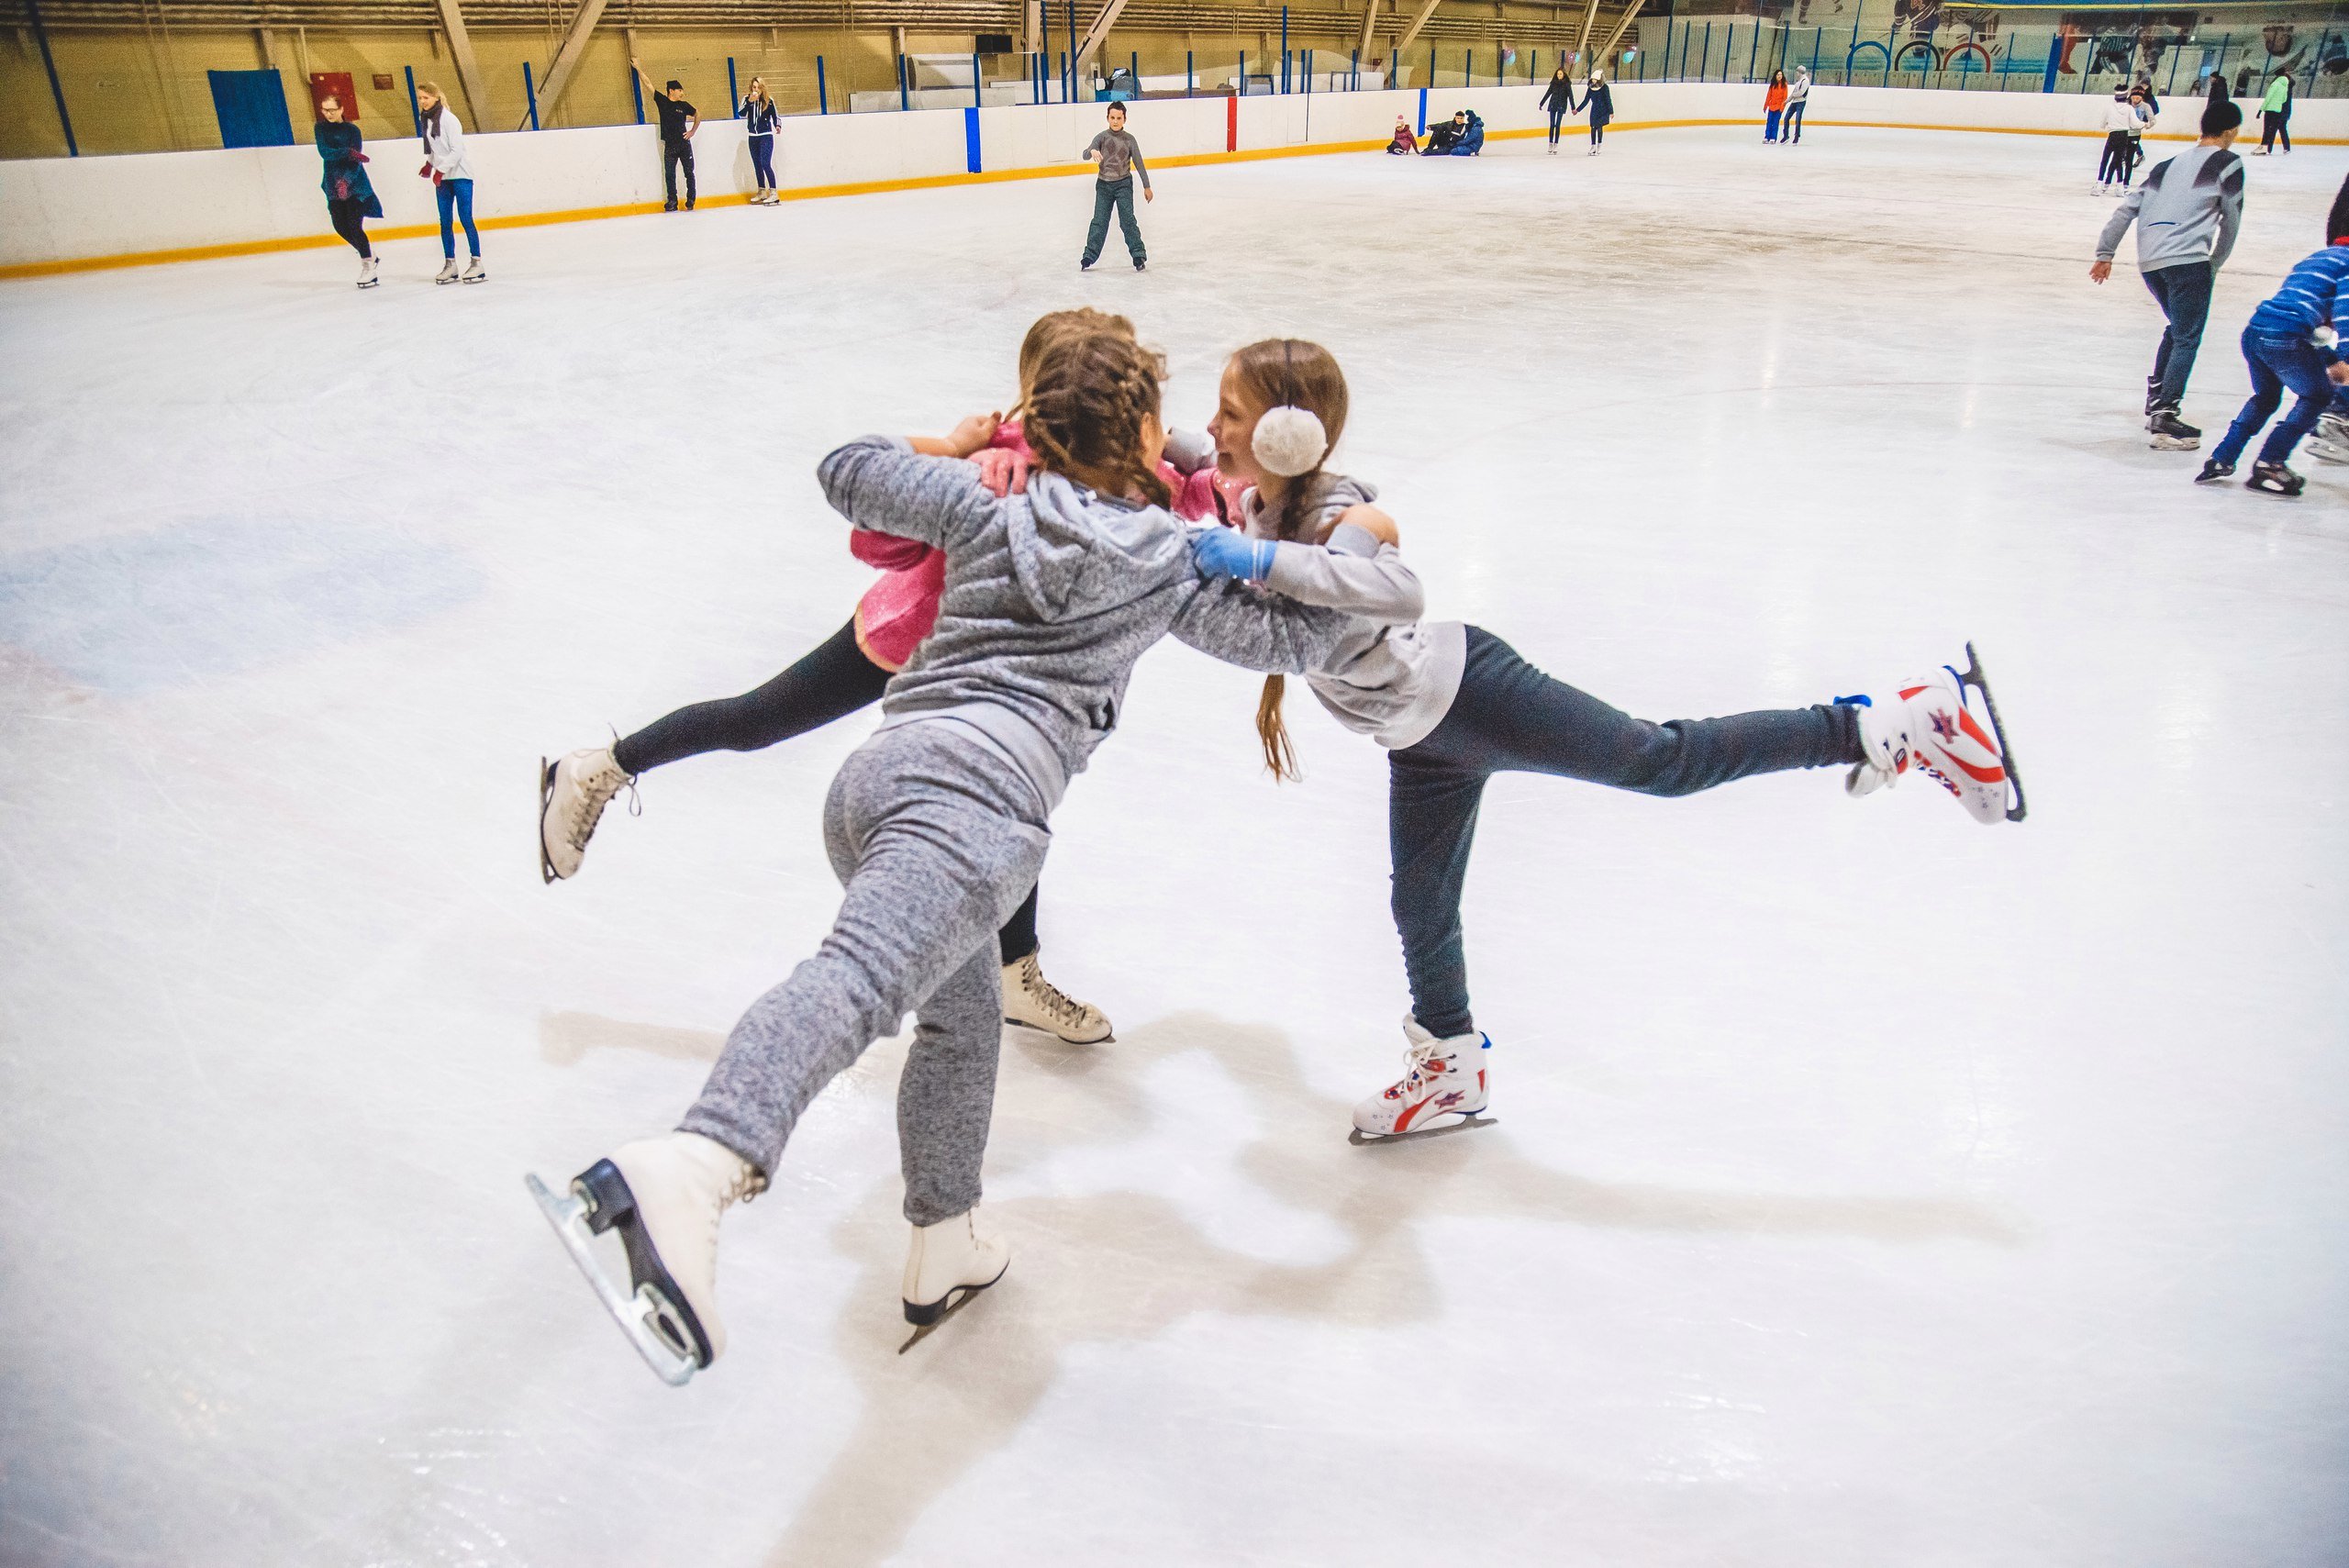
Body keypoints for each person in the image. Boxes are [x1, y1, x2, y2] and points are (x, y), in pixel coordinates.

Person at [528, 325, 1355, 1383]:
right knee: (859, 982)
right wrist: (1335, 539)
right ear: (1146, 432)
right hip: (976, 808)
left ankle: (943, 1238)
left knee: (961, 1020)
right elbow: (1299, 640)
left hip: (878, 782)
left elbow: (848, 469)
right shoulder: (1171, 562)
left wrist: (959, 443)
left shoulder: (985, 501)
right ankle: (695, 1161)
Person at [1190, 338, 2021, 1142]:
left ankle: (1887, 724)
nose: (1218, 427)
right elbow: (1189, 456)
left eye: (1232, 413)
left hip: (1469, 692)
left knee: (1660, 759)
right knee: (1420, 902)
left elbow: (1392, 589)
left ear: (1285, 432)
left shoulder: (1335, 512)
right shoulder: (1260, 502)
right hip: (1418, 739)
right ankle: (1450, 1065)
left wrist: (1256, 559)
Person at [539, 308, 1225, 1043]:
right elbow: (878, 537)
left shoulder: (1141, 467)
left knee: (1011, 807)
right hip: (909, 641)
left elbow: (1204, 500)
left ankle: (1012, 971)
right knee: (756, 719)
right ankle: (601, 767)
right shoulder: (1001, 459)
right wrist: (960, 455)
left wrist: (1210, 461)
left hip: (1016, 689)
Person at [2090, 80, 2244, 450]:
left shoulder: (2167, 165)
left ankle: (2157, 397)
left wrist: (2105, 253)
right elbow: (2232, 219)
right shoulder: (2228, 162)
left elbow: (2127, 209)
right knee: (2188, 336)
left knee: (2178, 328)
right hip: (2189, 260)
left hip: (2151, 263)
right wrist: (2214, 264)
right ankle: (2165, 417)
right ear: (2231, 131)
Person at [2194, 175, 2349, 495]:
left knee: (2265, 397)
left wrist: (2330, 359)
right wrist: (2346, 359)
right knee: (2317, 395)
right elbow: (2346, 313)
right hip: (2285, 337)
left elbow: (2300, 319)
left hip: (2256, 331)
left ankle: (2222, 457)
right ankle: (2271, 464)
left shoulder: (2317, 258)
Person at [415, 83, 482, 284]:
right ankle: (450, 264)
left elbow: (456, 150)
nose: (422, 101)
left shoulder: (449, 120)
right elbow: (436, 149)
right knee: (445, 221)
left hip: (460, 175)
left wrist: (441, 169)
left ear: (436, 97)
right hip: (443, 177)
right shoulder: (427, 120)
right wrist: (429, 164)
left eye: (426, 97)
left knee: (465, 218)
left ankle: (476, 262)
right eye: (420, 98)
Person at [312, 92, 379, 288]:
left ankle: (368, 266)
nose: (329, 114)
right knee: (340, 226)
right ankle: (370, 254)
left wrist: (346, 180)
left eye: (332, 110)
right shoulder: (320, 128)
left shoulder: (352, 130)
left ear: (341, 109)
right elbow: (325, 153)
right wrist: (347, 152)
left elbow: (355, 160)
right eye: (325, 110)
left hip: (355, 184)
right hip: (332, 182)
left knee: (354, 225)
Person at [1079, 102, 1152, 272]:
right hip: (1103, 185)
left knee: (1127, 220)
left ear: (1124, 119)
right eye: (1112, 118)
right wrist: (1091, 152)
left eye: (1119, 118)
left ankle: (1138, 254)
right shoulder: (1101, 137)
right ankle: (1089, 255)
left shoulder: (1129, 140)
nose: (1116, 121)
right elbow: (1084, 154)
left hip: (1123, 185)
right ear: (1107, 118)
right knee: (1099, 221)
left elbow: (1139, 163)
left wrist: (1147, 186)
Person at [632, 59, 699, 210]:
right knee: (670, 175)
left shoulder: (684, 105)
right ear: (672, 91)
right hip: (669, 145)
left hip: (684, 144)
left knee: (689, 172)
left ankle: (691, 199)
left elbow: (698, 114)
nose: (682, 93)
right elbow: (648, 84)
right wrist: (638, 68)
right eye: (680, 90)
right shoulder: (663, 102)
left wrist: (693, 131)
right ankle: (672, 201)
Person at [2097, 85, 2144, 194]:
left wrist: (2109, 124)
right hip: (2124, 136)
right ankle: (2120, 187)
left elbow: (2102, 124)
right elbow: (2135, 124)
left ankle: (2099, 184)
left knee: (2105, 160)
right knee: (2118, 161)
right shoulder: (2129, 108)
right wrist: (2144, 124)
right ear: (2126, 96)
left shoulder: (2109, 108)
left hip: (2113, 135)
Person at [740, 75, 780, 204]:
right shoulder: (746, 99)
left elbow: (776, 116)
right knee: (757, 165)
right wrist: (750, 102)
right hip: (753, 137)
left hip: (766, 136)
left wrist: (777, 125)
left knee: (765, 163)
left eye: (758, 87)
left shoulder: (769, 100)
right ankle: (762, 191)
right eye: (754, 87)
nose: (756, 90)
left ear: (762, 88)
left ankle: (773, 192)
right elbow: (740, 113)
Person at [1541, 64, 1575, 153]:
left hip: (1561, 105)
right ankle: (1550, 143)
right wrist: (1542, 103)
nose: (1559, 75)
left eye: (1560, 74)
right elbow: (1548, 93)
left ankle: (1556, 144)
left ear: (1564, 75)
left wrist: (1573, 107)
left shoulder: (1567, 84)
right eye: (1558, 74)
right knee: (1552, 125)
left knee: (1557, 125)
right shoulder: (1554, 83)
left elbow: (1570, 96)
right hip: (1553, 104)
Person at [2257, 71, 2292, 153]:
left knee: (2271, 130)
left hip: (2278, 111)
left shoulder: (2279, 87)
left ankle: (2268, 148)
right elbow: (2285, 101)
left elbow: (2283, 101)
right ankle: (2286, 148)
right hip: (2283, 111)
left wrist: (2261, 110)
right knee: (2281, 130)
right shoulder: (2286, 88)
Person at [1583, 69, 1614, 154]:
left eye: (1595, 79)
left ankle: (1599, 146)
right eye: (1592, 79)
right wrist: (1577, 110)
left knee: (1599, 128)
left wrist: (1611, 111)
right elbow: (1586, 100)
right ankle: (1593, 146)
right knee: (1593, 128)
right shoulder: (1590, 88)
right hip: (1594, 110)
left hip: (1603, 110)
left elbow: (1608, 99)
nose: (1593, 81)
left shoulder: (1605, 87)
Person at [1782, 65, 1809, 144]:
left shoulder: (1805, 81)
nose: (1796, 73)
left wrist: (1794, 95)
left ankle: (1797, 136)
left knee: (1798, 119)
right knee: (1786, 118)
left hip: (1801, 102)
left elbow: (1801, 93)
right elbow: (1794, 92)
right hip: (1794, 102)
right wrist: (1787, 101)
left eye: (1797, 71)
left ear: (1800, 72)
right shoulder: (1798, 81)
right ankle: (1786, 136)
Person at [1764, 71, 1788, 143]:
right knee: (1769, 122)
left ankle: (1773, 137)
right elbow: (1769, 96)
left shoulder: (1784, 85)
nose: (1779, 76)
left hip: (1779, 107)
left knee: (1775, 122)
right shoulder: (1772, 85)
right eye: (1778, 75)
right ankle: (1767, 137)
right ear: (1775, 76)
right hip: (1772, 106)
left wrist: (1782, 108)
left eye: (1781, 75)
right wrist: (1766, 106)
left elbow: (1785, 97)